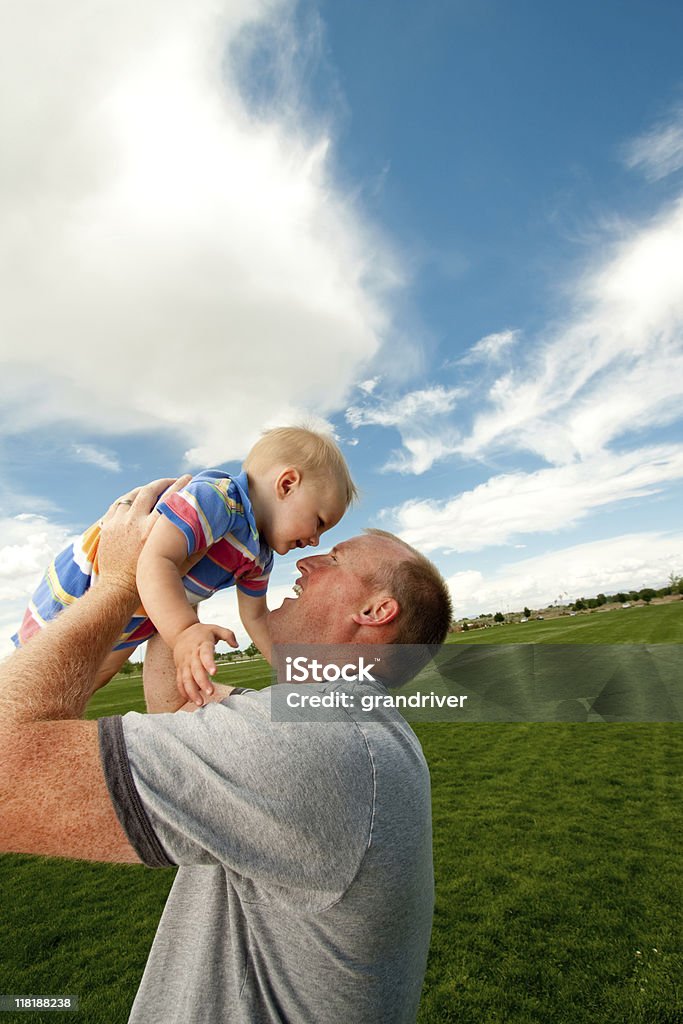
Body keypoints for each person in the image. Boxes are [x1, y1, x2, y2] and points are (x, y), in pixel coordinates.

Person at [0, 480, 453, 1024]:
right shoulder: (342, 727)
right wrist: (178, 579)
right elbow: (180, 707)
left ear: (375, 610)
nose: (306, 562)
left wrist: (120, 580)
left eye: (333, 558)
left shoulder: (319, 741)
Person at [12, 426, 356, 705]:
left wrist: (290, 669)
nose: (315, 541)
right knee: (38, 674)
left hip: (135, 617)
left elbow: (256, 616)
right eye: (320, 522)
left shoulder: (259, 555)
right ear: (287, 484)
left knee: (87, 683)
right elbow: (155, 559)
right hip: (81, 591)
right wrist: (185, 632)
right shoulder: (218, 499)